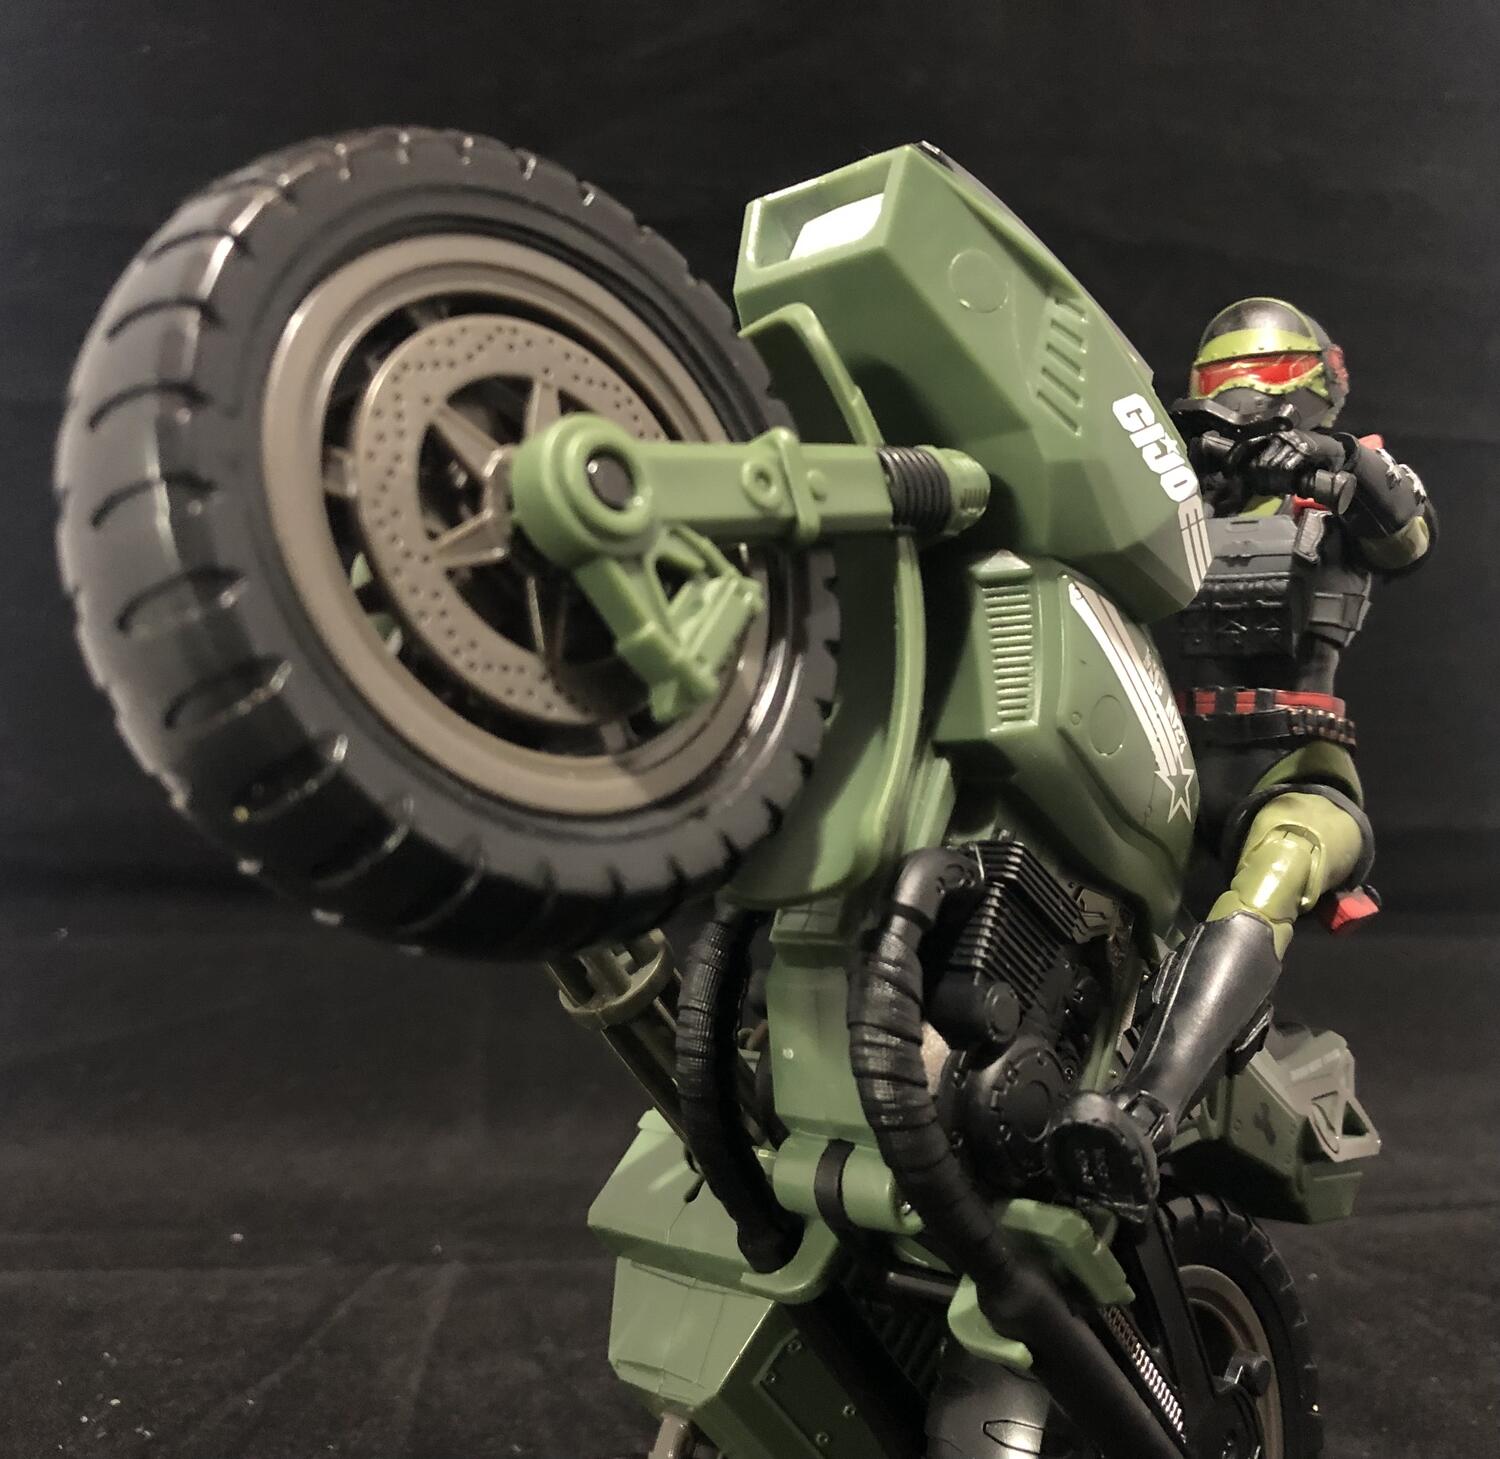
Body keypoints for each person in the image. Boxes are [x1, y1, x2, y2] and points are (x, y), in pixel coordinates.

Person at [1047, 297, 1436, 1219]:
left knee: (1277, 870)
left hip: (1299, 778)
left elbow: (1407, 531)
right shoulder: (1180, 500)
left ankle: (1141, 1116)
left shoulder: (1340, 484)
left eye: (1249, 382)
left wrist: (1330, 458)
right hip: (1178, 775)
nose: (1235, 399)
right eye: (1218, 384)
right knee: (1069, 879)